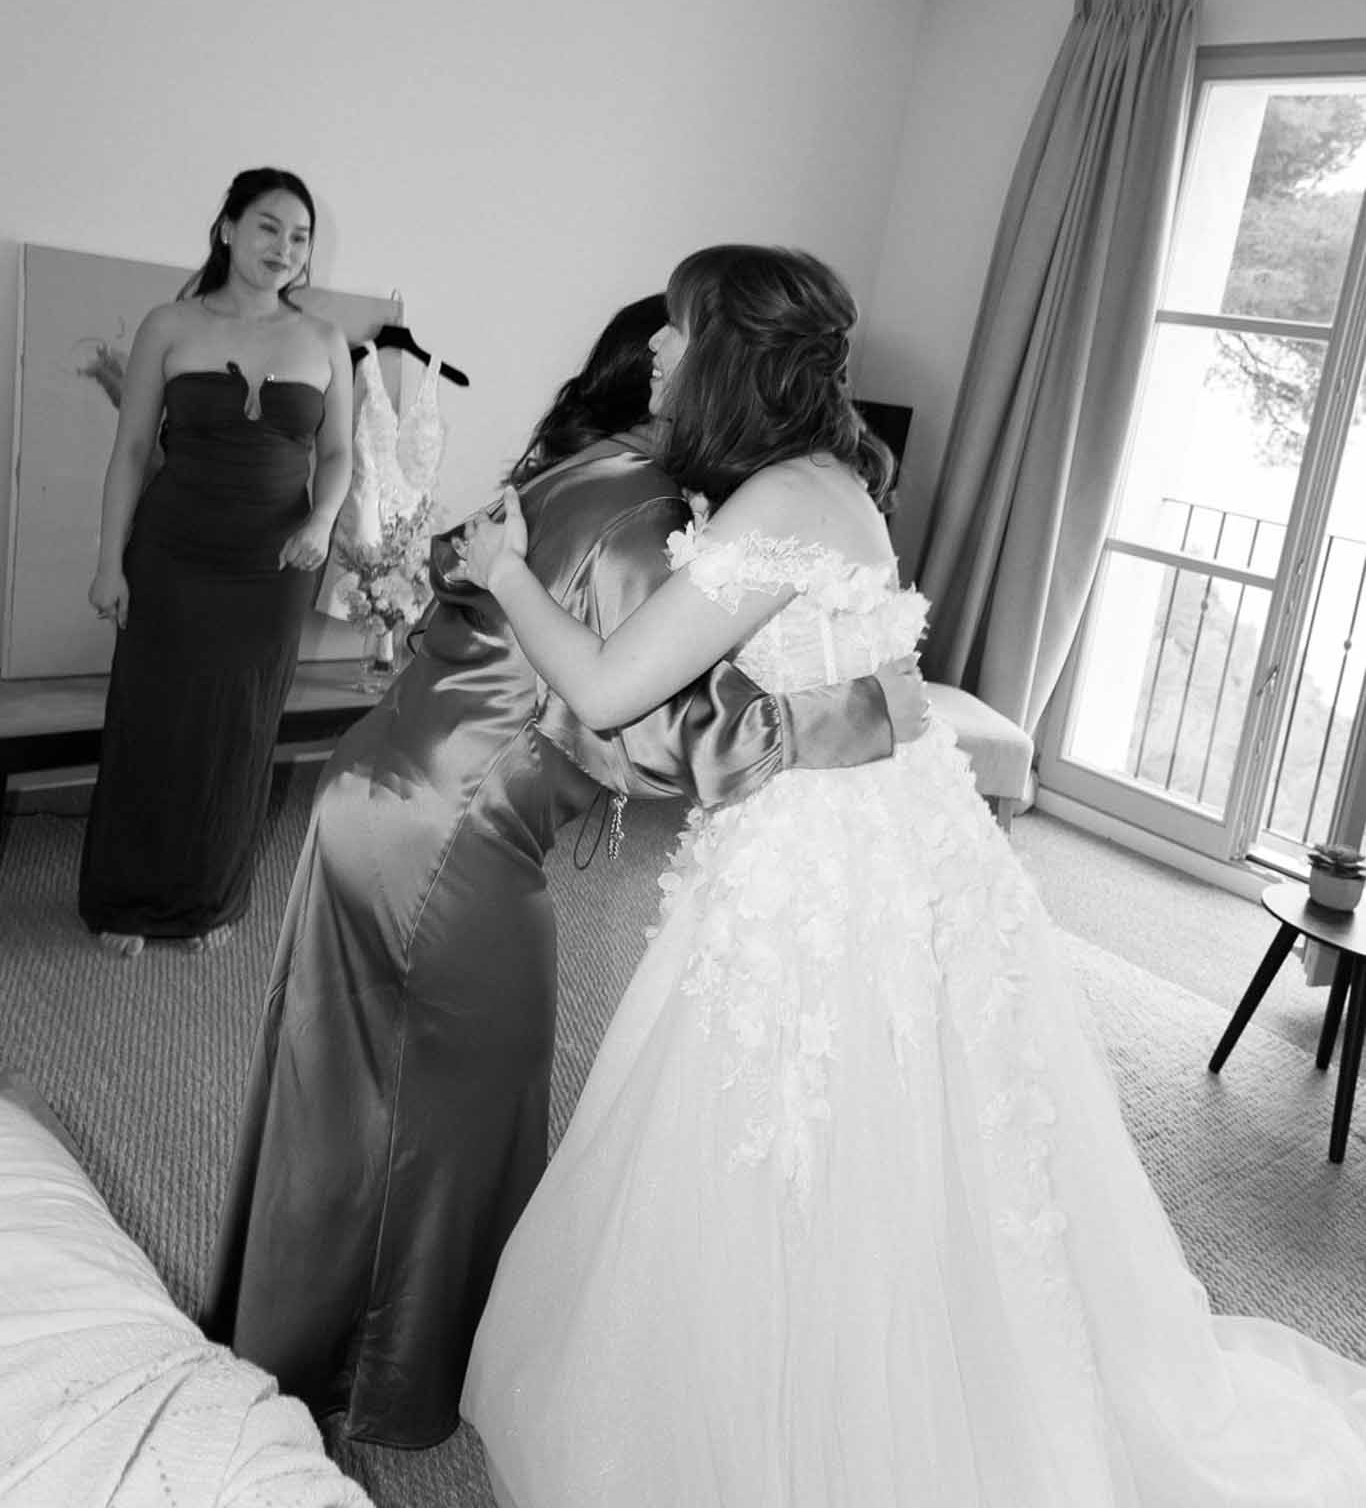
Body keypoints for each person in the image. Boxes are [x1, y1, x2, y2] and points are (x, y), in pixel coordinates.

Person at [460, 244, 1366, 1508]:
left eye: (673, 329)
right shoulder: (828, 479)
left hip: (829, 852)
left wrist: (503, 568)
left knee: (798, 1104)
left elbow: (614, 687)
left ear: (726, 353)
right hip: (892, 820)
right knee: (909, 1101)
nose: (655, 351)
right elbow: (843, 685)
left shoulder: (779, 502)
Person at [200, 293, 930, 1451]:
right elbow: (656, 727)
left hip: (384, 792)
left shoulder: (583, 472)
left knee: (352, 1085)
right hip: (454, 831)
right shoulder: (655, 518)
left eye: (677, 334)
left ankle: (298, 1335)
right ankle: (384, 1377)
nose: (660, 352)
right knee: (455, 1111)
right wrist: (848, 712)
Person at [80, 169, 353, 956]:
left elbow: (336, 454)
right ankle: (127, 900)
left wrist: (323, 520)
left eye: (300, 237)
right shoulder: (171, 324)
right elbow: (132, 451)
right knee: (152, 720)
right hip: (172, 554)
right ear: (229, 228)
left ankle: (208, 900)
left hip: (273, 566)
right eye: (269, 227)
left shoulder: (323, 339)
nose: (285, 249)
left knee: (241, 732)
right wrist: (110, 563)